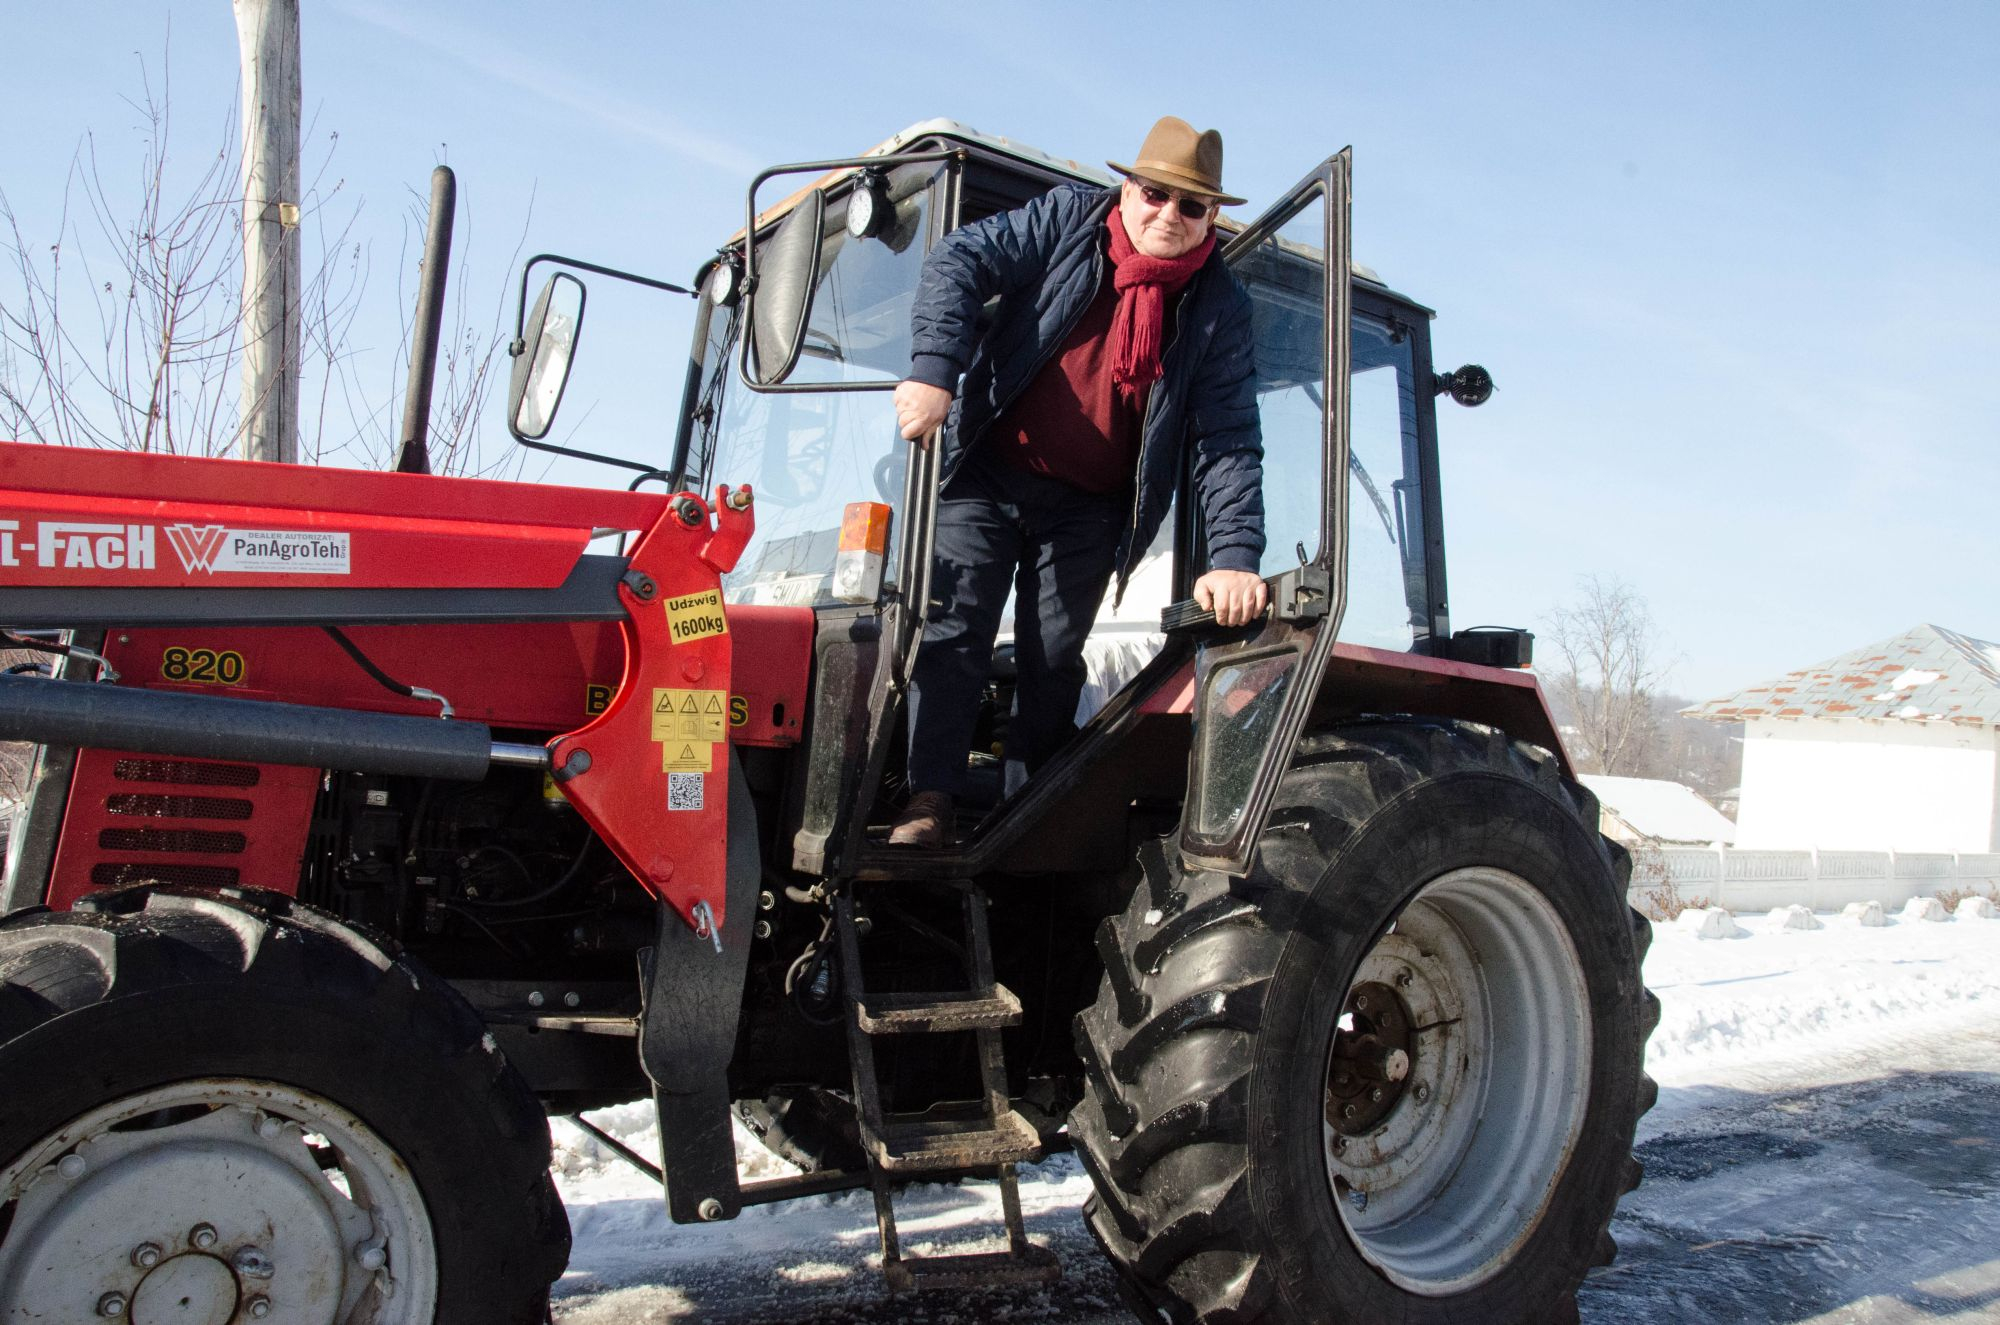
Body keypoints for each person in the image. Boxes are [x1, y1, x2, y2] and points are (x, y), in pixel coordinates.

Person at [887, 116, 1268, 848]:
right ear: (1128, 188)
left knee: (1053, 653)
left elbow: (1228, 438)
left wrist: (1234, 556)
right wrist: (935, 367)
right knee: (955, 628)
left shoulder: (1220, 305)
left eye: (1192, 206)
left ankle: (1027, 803)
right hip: (993, 470)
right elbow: (960, 257)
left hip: (1092, 506)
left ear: (1212, 218)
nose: (1169, 215)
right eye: (1156, 193)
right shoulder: (1068, 219)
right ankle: (928, 798)